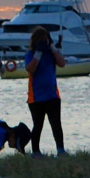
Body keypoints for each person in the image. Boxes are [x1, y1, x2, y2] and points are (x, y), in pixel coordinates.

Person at [24, 27, 66, 158]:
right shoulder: (30, 54)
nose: (43, 42)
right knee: (38, 125)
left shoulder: (51, 54)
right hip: (36, 97)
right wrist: (38, 54)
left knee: (56, 124)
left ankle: (60, 150)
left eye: (45, 39)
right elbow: (30, 69)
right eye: (41, 40)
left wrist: (52, 48)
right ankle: (35, 152)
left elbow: (62, 63)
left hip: (52, 95)